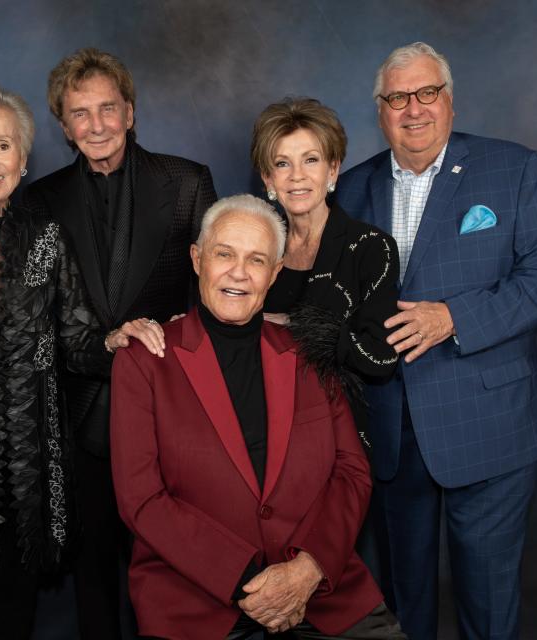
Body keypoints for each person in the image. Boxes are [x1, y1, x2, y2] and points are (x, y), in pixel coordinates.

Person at [0, 83, 165, 640]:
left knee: (19, 610)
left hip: (36, 467)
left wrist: (117, 341)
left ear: (22, 159)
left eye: (4, 146)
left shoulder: (48, 238)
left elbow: (78, 343)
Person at [335, 42, 537, 640]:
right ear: (380, 108)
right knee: (402, 597)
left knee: (487, 598)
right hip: (392, 427)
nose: (412, 109)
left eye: (426, 93)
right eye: (397, 97)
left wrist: (454, 318)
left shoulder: (514, 169)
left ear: (449, 100)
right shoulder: (351, 188)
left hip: (489, 420)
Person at [110, 194, 405, 640]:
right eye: (224, 254)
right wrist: (250, 582)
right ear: (197, 259)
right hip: (197, 602)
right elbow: (142, 498)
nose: (238, 273)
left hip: (323, 590)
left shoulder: (309, 350)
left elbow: (351, 472)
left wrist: (306, 570)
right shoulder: (146, 359)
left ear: (275, 273)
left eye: (256, 259)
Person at [20, 47, 217, 638]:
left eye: (109, 108)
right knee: (95, 572)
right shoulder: (39, 201)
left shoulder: (187, 181)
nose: (97, 124)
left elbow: (213, 297)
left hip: (169, 413)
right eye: (81, 113)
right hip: (78, 414)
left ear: (130, 112)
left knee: (171, 569)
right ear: (63, 125)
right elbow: (35, 318)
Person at [252, 98, 399, 436]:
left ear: (332, 170)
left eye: (311, 160)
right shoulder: (259, 248)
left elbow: (381, 359)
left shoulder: (370, 248)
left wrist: (292, 324)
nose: (297, 176)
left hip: (336, 434)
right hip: (262, 429)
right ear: (268, 179)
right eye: (282, 164)